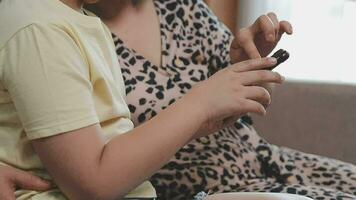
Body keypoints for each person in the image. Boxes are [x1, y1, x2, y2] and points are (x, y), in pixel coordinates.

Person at [2, 0, 356, 200]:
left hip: (260, 160)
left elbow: (238, 97)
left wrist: (245, 64)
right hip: (191, 187)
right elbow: (92, 176)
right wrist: (202, 101)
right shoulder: (40, 28)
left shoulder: (177, 8)